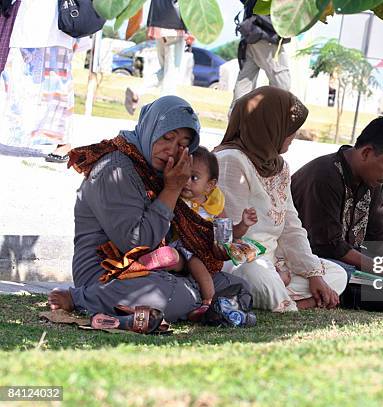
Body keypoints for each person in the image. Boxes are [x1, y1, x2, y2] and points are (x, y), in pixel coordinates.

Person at [47, 96, 252, 325]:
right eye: (167, 137)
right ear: (150, 129)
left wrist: (186, 263)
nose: (171, 149)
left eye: (182, 145)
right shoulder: (115, 168)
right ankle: (81, 299)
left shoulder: (160, 171)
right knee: (174, 294)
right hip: (108, 274)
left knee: (238, 286)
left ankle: (172, 308)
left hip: (161, 269)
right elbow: (136, 243)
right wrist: (172, 189)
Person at [214, 86, 347, 312]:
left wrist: (313, 274)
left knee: (337, 274)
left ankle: (282, 299)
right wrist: (272, 271)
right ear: (268, 126)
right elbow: (227, 238)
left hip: (274, 262)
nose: (293, 135)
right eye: (289, 128)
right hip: (241, 262)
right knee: (256, 277)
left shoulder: (278, 166)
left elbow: (291, 226)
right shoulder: (230, 160)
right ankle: (299, 304)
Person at [291, 116, 383, 284]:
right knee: (347, 276)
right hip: (311, 261)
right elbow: (329, 246)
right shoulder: (324, 175)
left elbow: (376, 233)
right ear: (366, 152)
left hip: (343, 259)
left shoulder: (373, 180)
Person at [138, 146, 259, 321]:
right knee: (195, 264)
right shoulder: (176, 197)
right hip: (180, 244)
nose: (186, 182)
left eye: (194, 178)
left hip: (203, 250)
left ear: (210, 185)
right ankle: (207, 301)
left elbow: (227, 234)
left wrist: (243, 224)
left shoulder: (214, 205)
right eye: (184, 175)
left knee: (195, 263)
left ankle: (169, 262)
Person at [0, 0, 76, 162]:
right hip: (25, 20)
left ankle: (63, 141)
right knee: (17, 79)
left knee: (58, 82)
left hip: (58, 24)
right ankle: (18, 133)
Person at [124, 0, 193, 115]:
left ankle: (137, 91)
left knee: (165, 71)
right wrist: (191, 30)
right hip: (175, 27)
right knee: (172, 73)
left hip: (157, 26)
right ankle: (165, 111)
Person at [231, 0, 291, 107]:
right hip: (264, 35)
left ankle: (236, 120)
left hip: (251, 32)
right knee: (282, 83)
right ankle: (268, 115)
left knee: (245, 82)